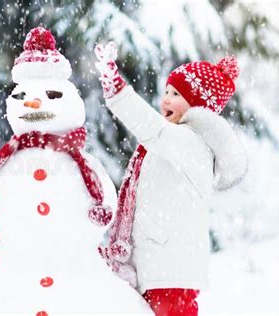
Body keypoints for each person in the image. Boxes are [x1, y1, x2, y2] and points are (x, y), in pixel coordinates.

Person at [94, 42, 247, 316]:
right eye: (166, 92)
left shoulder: (191, 142)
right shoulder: (176, 143)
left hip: (169, 271)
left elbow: (151, 128)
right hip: (161, 267)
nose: (165, 99)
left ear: (197, 103)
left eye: (175, 94)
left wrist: (117, 90)